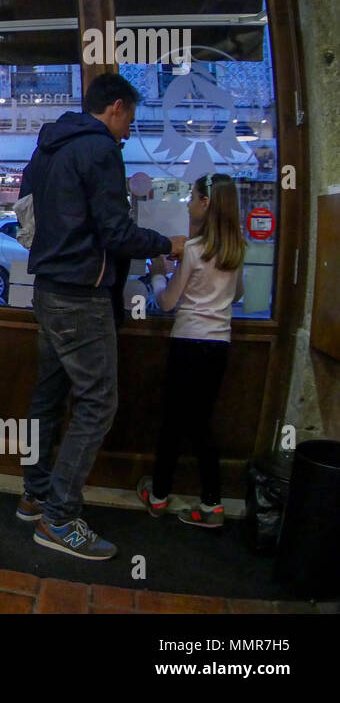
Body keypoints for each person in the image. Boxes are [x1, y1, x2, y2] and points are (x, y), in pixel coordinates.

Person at [17, 73, 187, 560]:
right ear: (115, 107)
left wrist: (53, 252)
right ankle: (59, 518)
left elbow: (25, 213)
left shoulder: (48, 146)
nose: (129, 131)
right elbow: (116, 232)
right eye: (130, 119)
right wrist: (166, 243)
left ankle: (35, 493)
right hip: (80, 297)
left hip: (47, 289)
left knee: (48, 397)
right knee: (97, 405)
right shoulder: (100, 150)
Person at [138, 174, 246, 529]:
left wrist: (157, 274)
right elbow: (239, 295)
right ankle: (212, 504)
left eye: (192, 197)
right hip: (219, 345)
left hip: (187, 343)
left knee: (172, 421)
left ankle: (158, 497)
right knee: (202, 424)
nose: (187, 204)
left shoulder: (196, 251)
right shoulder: (237, 250)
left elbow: (167, 303)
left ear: (205, 204)